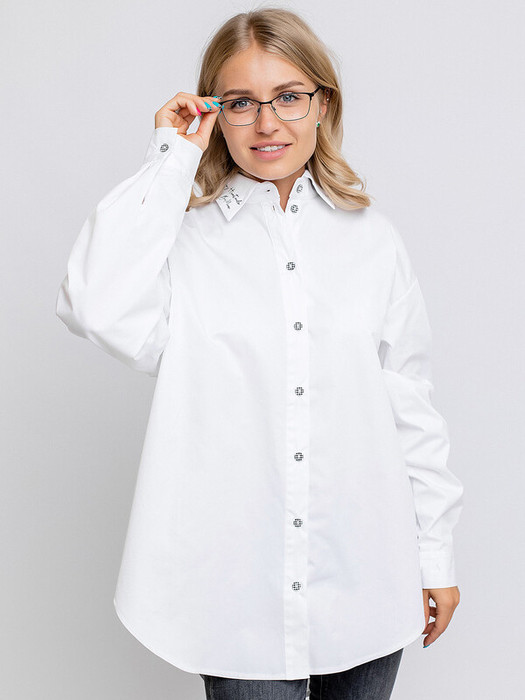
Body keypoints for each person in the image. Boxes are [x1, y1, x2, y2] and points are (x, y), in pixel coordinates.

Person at [55, 6, 464, 700]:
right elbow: (93, 303)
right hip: (235, 594)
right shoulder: (181, 243)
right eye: (241, 102)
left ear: (322, 104)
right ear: (213, 113)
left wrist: (435, 554)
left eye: (288, 96)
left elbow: (409, 404)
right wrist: (171, 155)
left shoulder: (372, 240)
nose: (267, 123)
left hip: (367, 575)